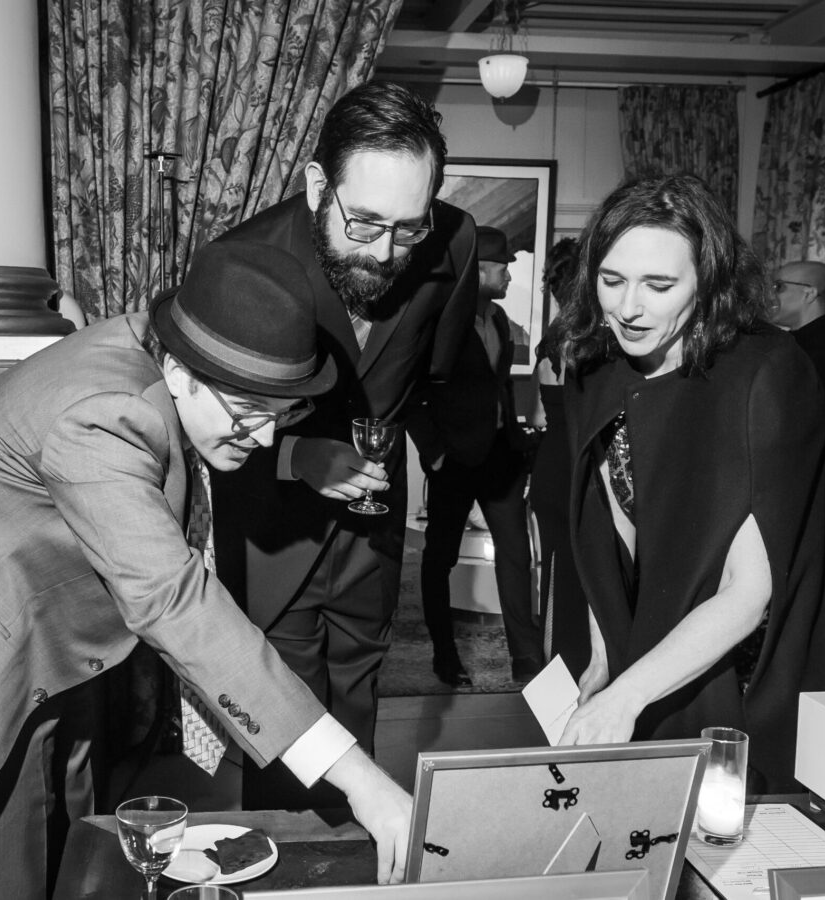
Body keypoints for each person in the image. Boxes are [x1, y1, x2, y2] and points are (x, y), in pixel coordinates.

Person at [0, 241, 413, 900]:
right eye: (251, 414)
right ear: (184, 372)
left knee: (78, 853)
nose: (267, 437)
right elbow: (173, 600)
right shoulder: (105, 415)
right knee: (6, 878)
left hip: (45, 625)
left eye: (281, 416)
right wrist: (359, 777)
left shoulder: (157, 350)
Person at [548, 174, 825, 792]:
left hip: (755, 658)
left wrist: (626, 696)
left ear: (706, 280)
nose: (629, 308)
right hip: (665, 640)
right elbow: (611, 539)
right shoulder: (596, 366)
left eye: (659, 285)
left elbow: (748, 591)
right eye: (611, 279)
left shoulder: (767, 373)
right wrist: (607, 652)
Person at [209, 82, 477, 809]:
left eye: (408, 228)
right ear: (317, 184)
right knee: (283, 724)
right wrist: (299, 456)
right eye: (363, 224)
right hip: (272, 528)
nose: (387, 252)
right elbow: (203, 416)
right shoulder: (244, 260)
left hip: (375, 524)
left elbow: (438, 367)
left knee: (359, 708)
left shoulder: (455, 241)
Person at [407, 226, 545, 687]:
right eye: (502, 266)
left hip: (500, 459)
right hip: (455, 461)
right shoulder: (441, 319)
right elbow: (412, 392)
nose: (510, 273)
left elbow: (497, 384)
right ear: (479, 270)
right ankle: (445, 656)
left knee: (515, 554)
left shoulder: (501, 322)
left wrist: (518, 438)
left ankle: (526, 659)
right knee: (440, 558)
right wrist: (435, 454)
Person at [527, 237, 585, 674]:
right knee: (581, 586)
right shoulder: (595, 342)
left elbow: (537, 416)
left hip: (551, 467)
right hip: (578, 472)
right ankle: (572, 680)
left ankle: (561, 683)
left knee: (555, 580)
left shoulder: (552, 341)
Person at [768, 260, 825, 432]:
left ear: (809, 294)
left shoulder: (824, 348)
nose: (770, 295)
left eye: (779, 287)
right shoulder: (795, 342)